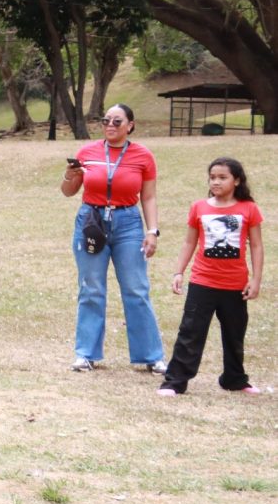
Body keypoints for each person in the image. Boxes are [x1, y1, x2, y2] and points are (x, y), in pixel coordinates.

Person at [59, 103, 167, 373]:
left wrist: (152, 231)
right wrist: (69, 176)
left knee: (136, 288)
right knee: (91, 287)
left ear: (130, 125)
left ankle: (151, 356)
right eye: (106, 120)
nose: (110, 125)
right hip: (91, 221)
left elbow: (149, 197)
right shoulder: (88, 152)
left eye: (117, 121)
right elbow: (68, 191)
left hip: (127, 222)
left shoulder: (143, 156)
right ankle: (86, 354)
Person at [158, 157, 264, 396]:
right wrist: (178, 272)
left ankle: (234, 379)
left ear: (237, 181)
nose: (216, 182)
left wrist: (256, 280)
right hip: (202, 282)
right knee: (190, 332)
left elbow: (257, 246)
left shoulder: (249, 208)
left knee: (235, 334)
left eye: (222, 177)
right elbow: (189, 242)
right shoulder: (199, 207)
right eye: (213, 177)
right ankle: (175, 382)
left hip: (235, 284)